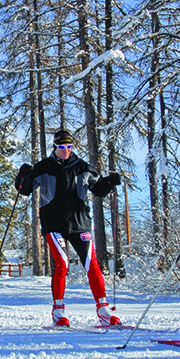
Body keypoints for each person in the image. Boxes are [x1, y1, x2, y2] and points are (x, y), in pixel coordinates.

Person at [15, 129, 123, 327]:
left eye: (69, 147)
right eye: (62, 147)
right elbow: (25, 190)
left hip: (80, 223)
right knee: (62, 264)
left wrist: (109, 183)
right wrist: (23, 177)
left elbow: (97, 189)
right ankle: (58, 311)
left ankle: (103, 309)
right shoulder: (44, 167)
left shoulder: (83, 167)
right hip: (53, 224)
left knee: (92, 263)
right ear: (55, 147)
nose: (66, 150)